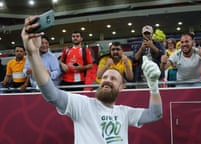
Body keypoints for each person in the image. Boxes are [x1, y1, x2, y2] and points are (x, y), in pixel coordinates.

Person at [22, 15, 163, 144]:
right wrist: (33, 53)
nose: (107, 79)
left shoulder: (124, 112)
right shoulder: (82, 105)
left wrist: (154, 86)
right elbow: (51, 94)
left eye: (113, 78)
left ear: (121, 87)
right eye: (105, 77)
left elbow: (155, 114)